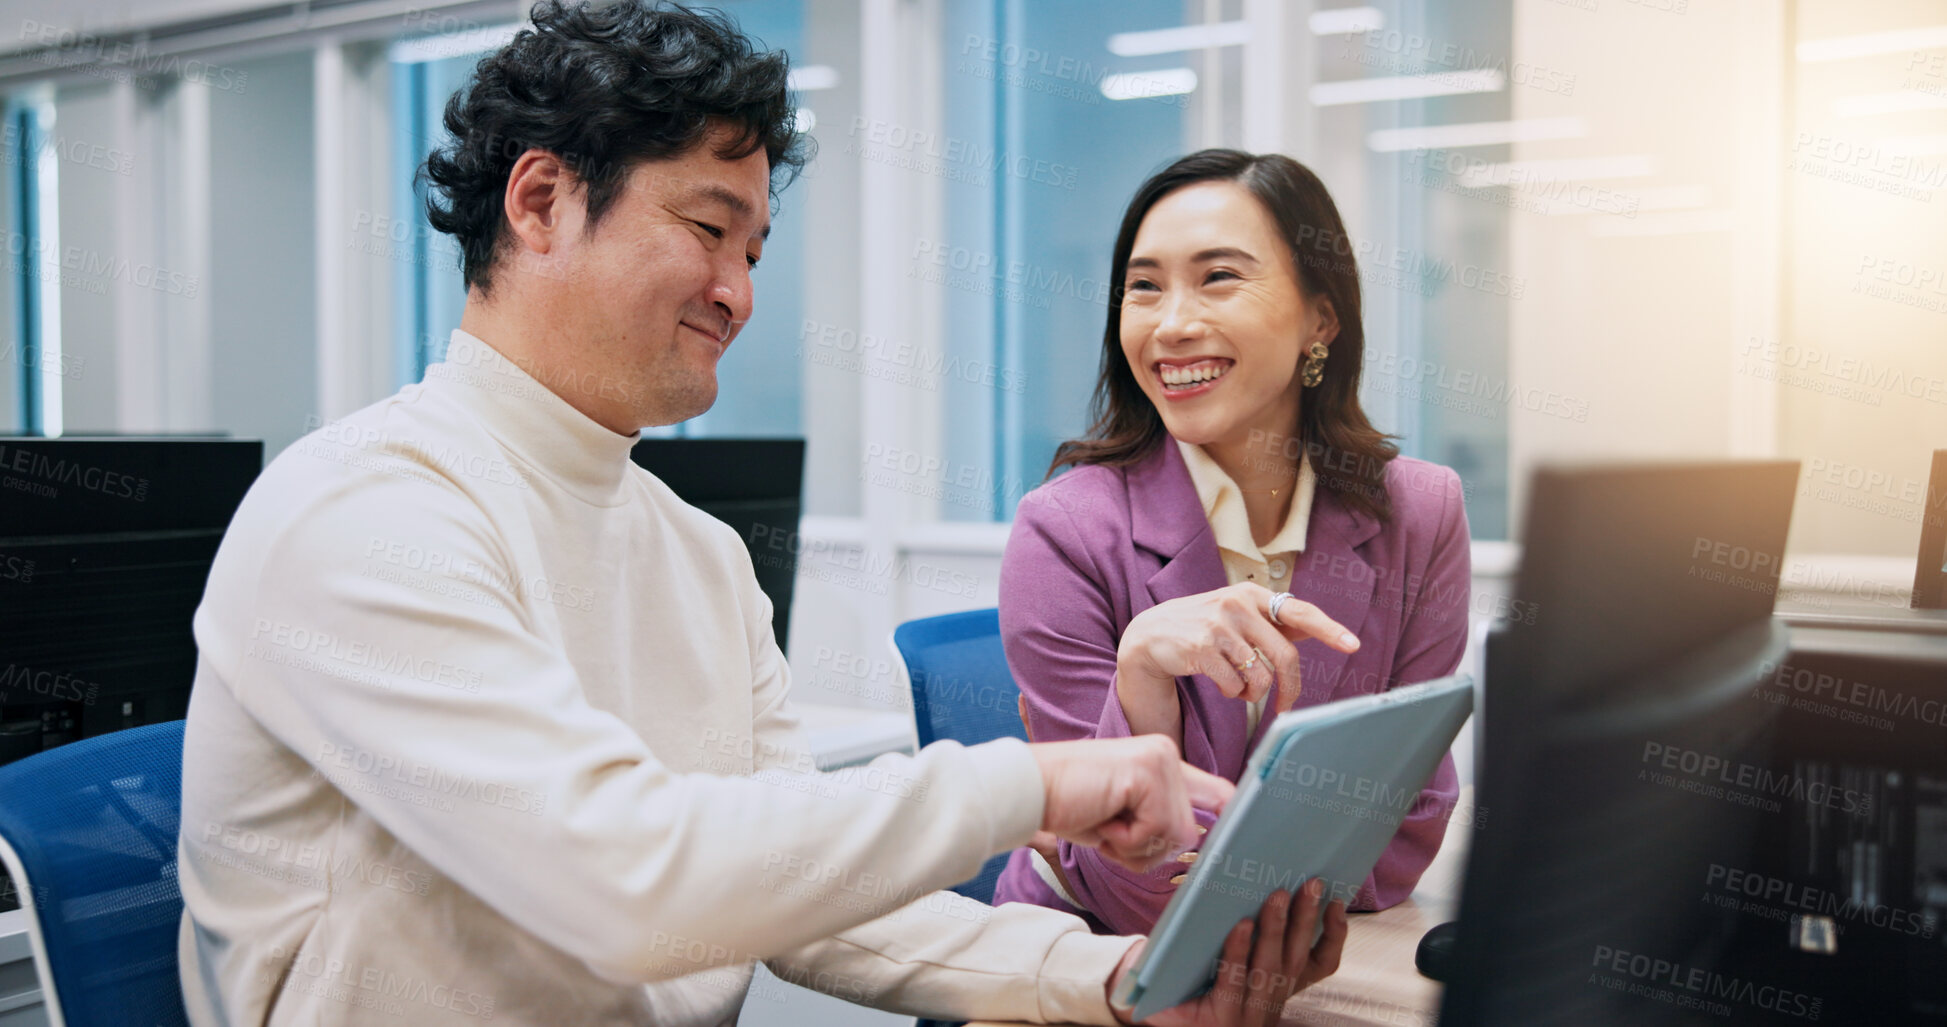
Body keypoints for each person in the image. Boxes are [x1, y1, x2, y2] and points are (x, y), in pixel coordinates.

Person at [175, 6, 1347, 1026]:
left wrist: (1106, 977)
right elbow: (627, 884)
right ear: (540, 201)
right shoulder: (361, 511)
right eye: (705, 228)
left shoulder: (700, 552)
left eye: (754, 248)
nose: (738, 291)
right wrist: (1037, 785)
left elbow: (814, 911)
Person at [992, 150, 1471, 938]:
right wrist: (1140, 675)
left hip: (1307, 966)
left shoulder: (1419, 514)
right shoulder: (1063, 531)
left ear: (1321, 316)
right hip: (1079, 970)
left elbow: (1406, 831)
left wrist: (1210, 870)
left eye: (1217, 277)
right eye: (1143, 286)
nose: (1172, 323)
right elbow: (1120, 889)